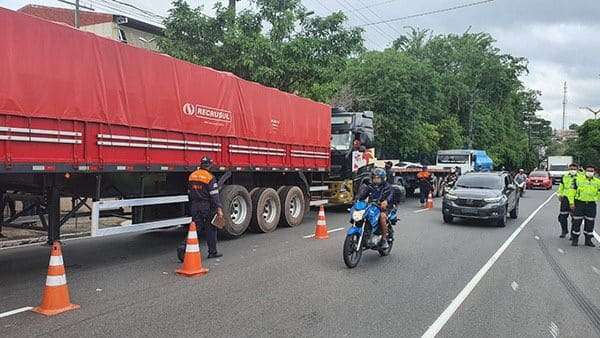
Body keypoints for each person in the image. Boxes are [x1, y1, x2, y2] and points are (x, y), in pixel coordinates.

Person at [187, 156, 224, 258]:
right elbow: (214, 195)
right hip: (206, 206)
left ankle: (184, 250)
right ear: (210, 165)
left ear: (201, 164)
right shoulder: (210, 177)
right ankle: (212, 252)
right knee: (211, 229)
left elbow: (189, 193)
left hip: (195, 205)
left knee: (195, 229)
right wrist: (219, 209)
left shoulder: (192, 176)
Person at [356, 168, 394, 249]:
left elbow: (390, 196)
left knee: (382, 217)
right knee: (362, 214)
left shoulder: (387, 187)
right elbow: (362, 196)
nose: (376, 180)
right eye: (374, 178)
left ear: (383, 178)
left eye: (378, 178)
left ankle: (384, 239)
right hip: (372, 206)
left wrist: (386, 201)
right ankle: (365, 233)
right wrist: (358, 199)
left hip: (384, 208)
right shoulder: (370, 187)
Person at [571, 165, 600, 247]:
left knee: (590, 222)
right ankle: (575, 239)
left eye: (591, 171)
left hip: (591, 204)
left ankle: (588, 240)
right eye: (588, 170)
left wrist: (596, 198)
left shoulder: (597, 182)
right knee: (576, 222)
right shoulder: (578, 180)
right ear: (585, 171)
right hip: (579, 203)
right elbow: (572, 192)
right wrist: (571, 202)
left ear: (594, 172)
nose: (589, 172)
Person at [557, 163, 580, 238]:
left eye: (574, 169)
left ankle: (573, 234)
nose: (572, 170)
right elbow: (561, 187)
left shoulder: (581, 178)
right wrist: (559, 194)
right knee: (562, 217)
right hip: (565, 199)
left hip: (575, 199)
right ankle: (564, 230)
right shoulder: (565, 177)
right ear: (568, 169)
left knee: (575, 218)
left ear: (577, 169)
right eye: (571, 169)